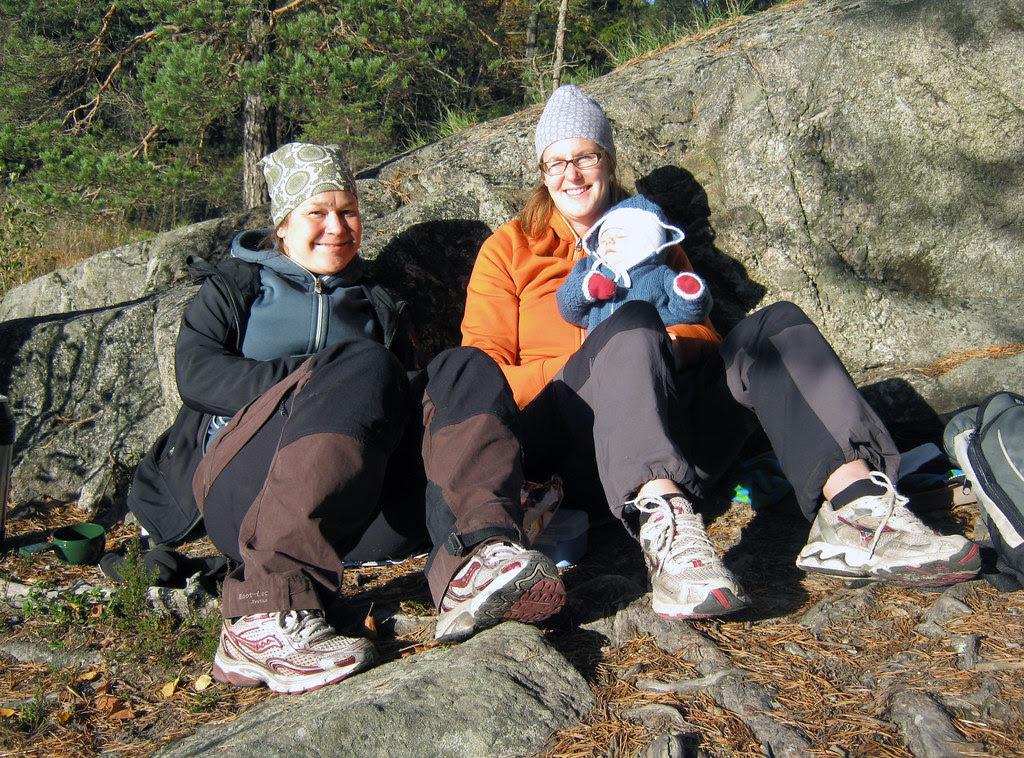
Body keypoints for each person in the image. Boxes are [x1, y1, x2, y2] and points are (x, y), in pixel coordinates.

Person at [461, 85, 981, 620]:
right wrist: (603, 355)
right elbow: (481, 375)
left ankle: (856, 509)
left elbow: (703, 333)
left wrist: (656, 352)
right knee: (631, 326)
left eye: (585, 157)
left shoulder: (650, 233)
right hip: (572, 451)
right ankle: (665, 539)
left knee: (774, 326)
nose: (571, 174)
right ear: (542, 175)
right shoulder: (510, 249)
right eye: (555, 163)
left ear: (608, 162)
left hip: (673, 433)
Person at [128, 143, 565, 694]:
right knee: (360, 364)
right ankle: (263, 613)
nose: (336, 226)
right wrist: (315, 377)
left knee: (463, 366)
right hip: (245, 494)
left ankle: (476, 558)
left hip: (353, 514)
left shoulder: (378, 301)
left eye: (348, 211)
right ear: (283, 225)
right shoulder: (236, 287)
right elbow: (198, 377)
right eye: (317, 212)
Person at [556, 194, 712, 331]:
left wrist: (689, 294)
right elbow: (568, 308)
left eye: (621, 236)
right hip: (599, 355)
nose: (608, 241)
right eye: (603, 239)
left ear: (647, 244)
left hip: (645, 349)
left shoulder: (660, 275)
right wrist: (586, 289)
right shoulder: (590, 268)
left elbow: (683, 314)